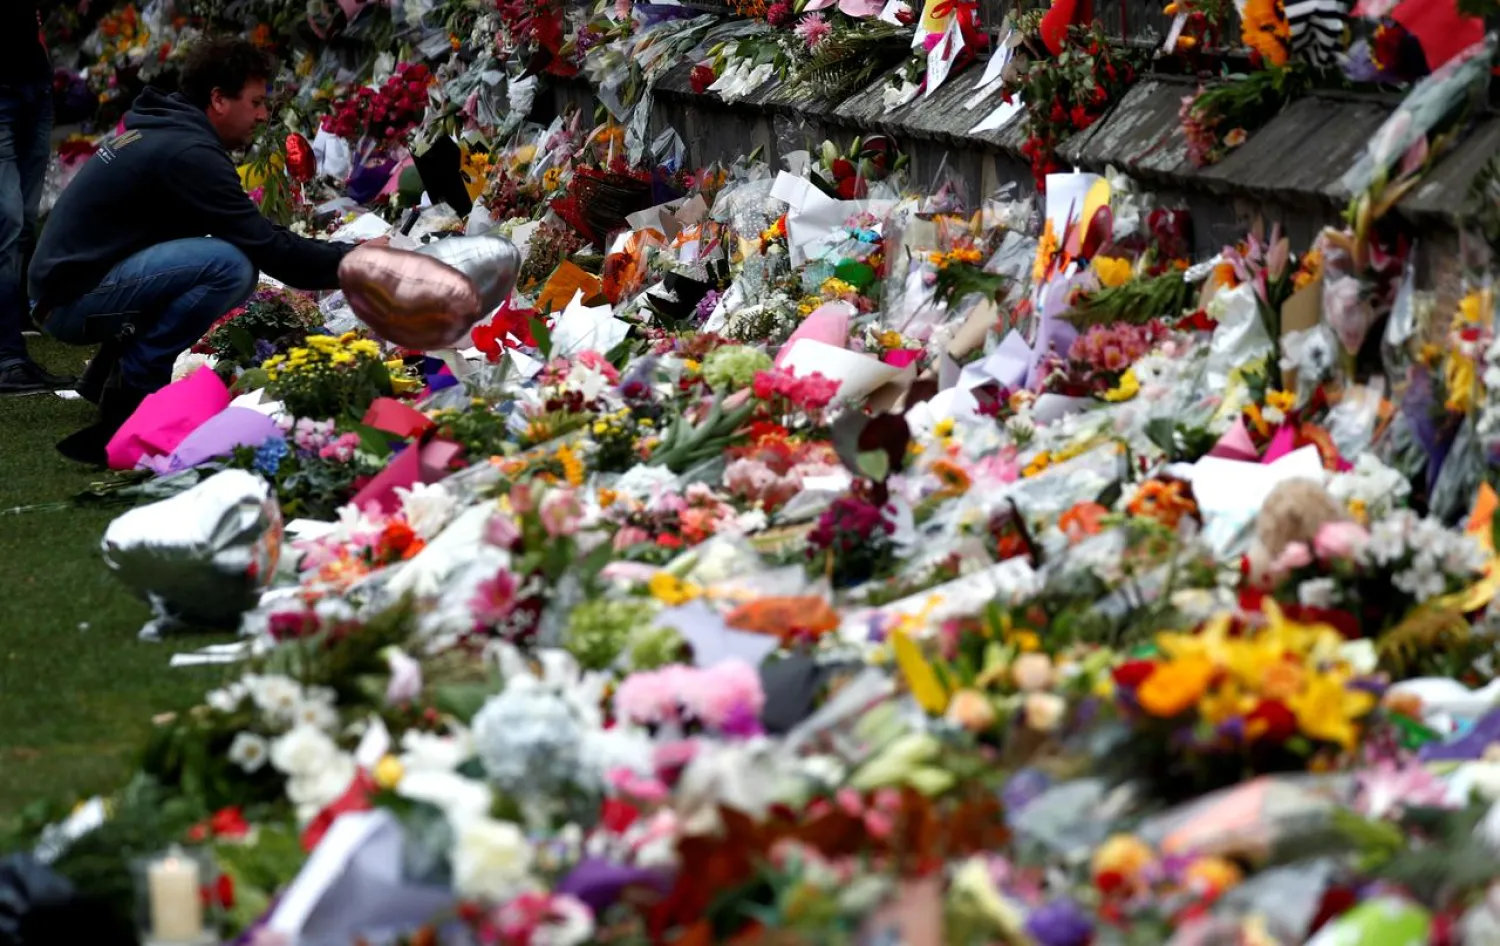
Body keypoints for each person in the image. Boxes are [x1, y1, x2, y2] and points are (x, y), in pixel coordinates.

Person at [31, 36, 365, 465]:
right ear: (219, 100)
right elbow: (267, 248)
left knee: (209, 257)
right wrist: (356, 261)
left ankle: (107, 379)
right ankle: (133, 395)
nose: (263, 114)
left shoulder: (169, 130)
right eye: (256, 101)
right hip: (66, 302)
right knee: (229, 266)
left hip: (64, 288)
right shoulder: (188, 151)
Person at [0, 0, 75, 395]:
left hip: (32, 80)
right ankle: (8, 360)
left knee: (21, 223)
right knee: (8, 222)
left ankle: (13, 347)